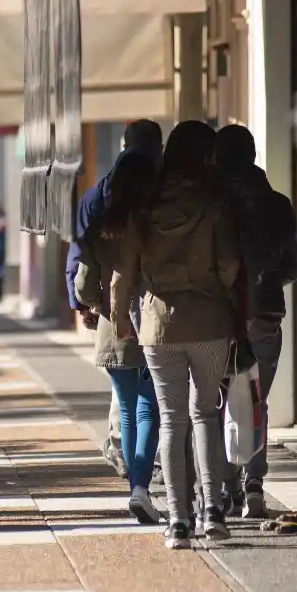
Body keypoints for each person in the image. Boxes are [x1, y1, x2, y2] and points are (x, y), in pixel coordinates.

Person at [111, 121, 244, 549]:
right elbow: (228, 265)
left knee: (171, 419)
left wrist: (119, 317)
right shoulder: (215, 200)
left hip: (158, 323)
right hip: (208, 321)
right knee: (205, 412)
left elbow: (123, 272)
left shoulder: (145, 200)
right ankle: (213, 511)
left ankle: (178, 520)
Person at [214, 124, 297, 518]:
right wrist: (269, 285)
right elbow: (296, 262)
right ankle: (254, 486)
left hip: (217, 317)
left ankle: (228, 487)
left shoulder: (212, 200)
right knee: (255, 401)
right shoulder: (277, 204)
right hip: (265, 315)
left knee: (216, 403)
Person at [65, 120, 164, 482]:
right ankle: (153, 483)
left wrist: (92, 306)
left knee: (127, 408)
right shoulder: (166, 209)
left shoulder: (100, 211)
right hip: (162, 322)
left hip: (114, 325)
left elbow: (83, 275)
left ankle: (137, 486)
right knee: (152, 409)